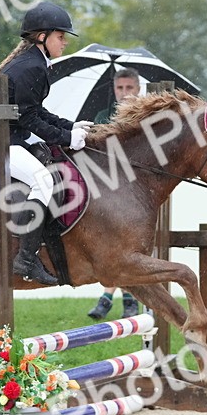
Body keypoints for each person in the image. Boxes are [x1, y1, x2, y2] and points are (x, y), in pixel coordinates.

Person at [0, 1, 89, 285]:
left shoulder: (35, 63)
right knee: (43, 182)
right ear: (41, 36)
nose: (64, 43)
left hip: (11, 138)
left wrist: (70, 126)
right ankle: (26, 258)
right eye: (60, 37)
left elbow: (37, 112)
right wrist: (65, 138)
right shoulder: (30, 67)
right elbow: (29, 118)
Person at [85, 68, 144, 320]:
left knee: (129, 246)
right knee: (112, 245)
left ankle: (110, 299)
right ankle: (126, 300)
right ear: (114, 89)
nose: (124, 93)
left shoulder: (146, 115)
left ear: (138, 88)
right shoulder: (103, 115)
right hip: (108, 184)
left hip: (140, 188)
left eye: (129, 88)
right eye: (120, 88)